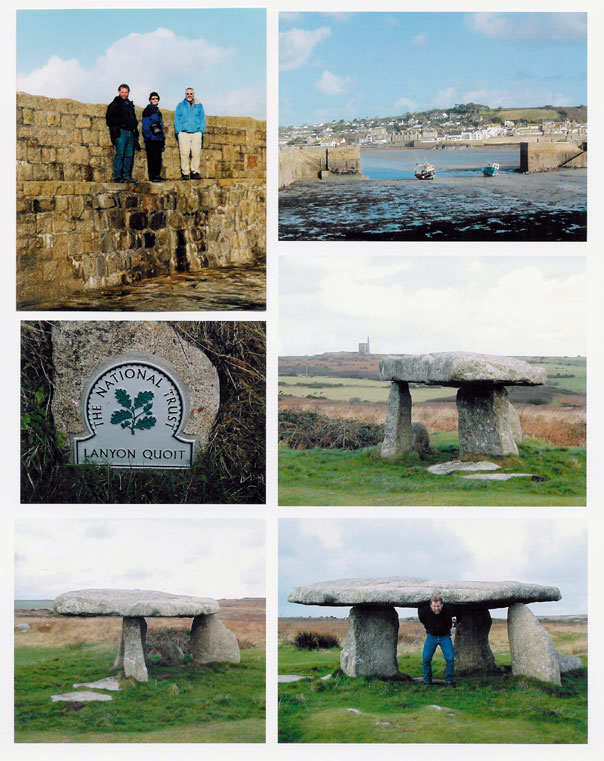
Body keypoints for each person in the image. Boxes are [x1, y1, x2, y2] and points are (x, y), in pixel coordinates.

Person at [418, 594, 456, 686]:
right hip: (431, 636)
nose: (436, 608)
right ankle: (427, 681)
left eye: (438, 606)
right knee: (426, 659)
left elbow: (457, 614)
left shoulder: (448, 609)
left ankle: (449, 681)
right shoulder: (425, 611)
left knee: (450, 659)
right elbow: (421, 618)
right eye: (434, 606)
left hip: (445, 637)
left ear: (442, 605)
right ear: (430, 605)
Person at [105, 83, 140, 183]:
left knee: (129, 155)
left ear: (128, 92)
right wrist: (116, 128)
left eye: (126, 92)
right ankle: (118, 176)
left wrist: (134, 128)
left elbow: (133, 118)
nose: (124, 94)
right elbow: (109, 118)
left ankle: (126, 176)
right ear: (119, 92)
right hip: (121, 132)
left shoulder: (129, 104)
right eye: (122, 92)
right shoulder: (115, 104)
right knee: (120, 154)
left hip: (130, 132)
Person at [174, 87, 206, 180]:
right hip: (184, 133)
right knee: (184, 153)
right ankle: (185, 173)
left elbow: (202, 119)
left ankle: (195, 171)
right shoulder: (180, 105)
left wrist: (201, 131)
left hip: (196, 132)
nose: (189, 95)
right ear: (185, 94)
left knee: (196, 153)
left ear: (193, 94)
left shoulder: (199, 105)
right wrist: (178, 131)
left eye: (191, 93)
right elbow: (177, 119)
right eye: (187, 94)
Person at [141, 91, 166, 182]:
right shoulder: (147, 110)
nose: (155, 100)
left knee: (158, 158)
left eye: (156, 98)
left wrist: (162, 138)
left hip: (158, 138)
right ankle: (152, 176)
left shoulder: (158, 111)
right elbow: (145, 125)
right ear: (150, 100)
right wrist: (149, 137)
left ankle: (157, 175)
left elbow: (161, 126)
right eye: (153, 98)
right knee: (152, 158)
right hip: (151, 138)